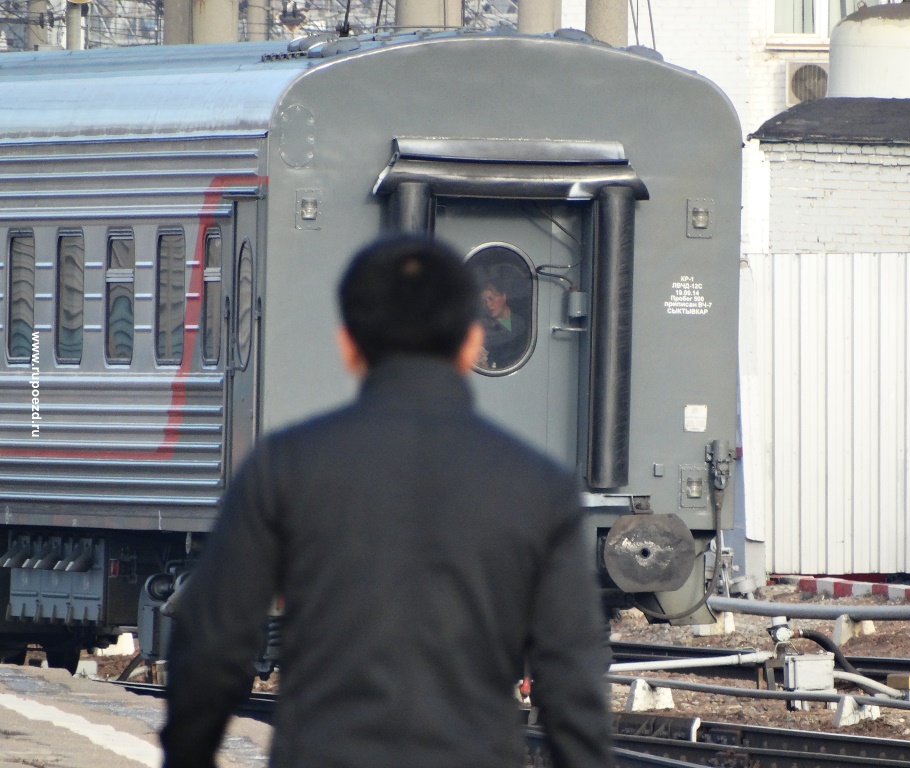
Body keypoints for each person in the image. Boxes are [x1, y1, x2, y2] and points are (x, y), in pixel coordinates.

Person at [160, 234, 613, 768]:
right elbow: (572, 682)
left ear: (348, 344)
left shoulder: (284, 466)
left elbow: (213, 644)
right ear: (471, 344)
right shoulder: (538, 486)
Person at [479, 277, 529, 370]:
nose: (489, 305)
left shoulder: (525, 324)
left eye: (491, 298)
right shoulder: (481, 328)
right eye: (484, 301)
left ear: (503, 296)